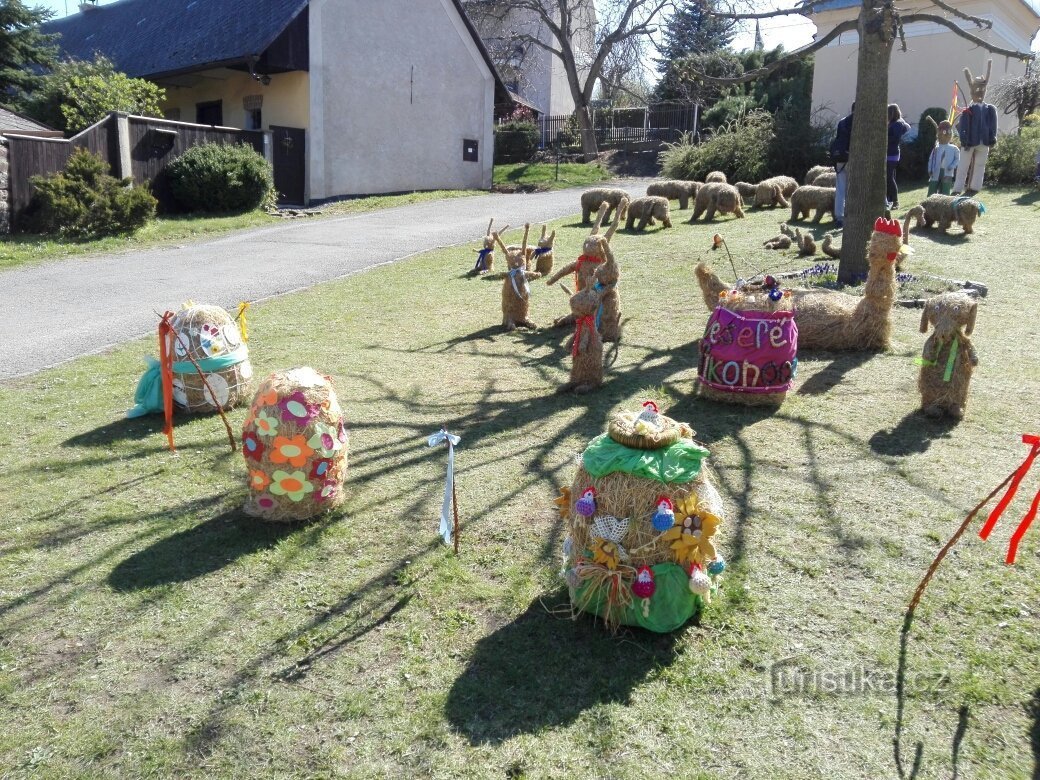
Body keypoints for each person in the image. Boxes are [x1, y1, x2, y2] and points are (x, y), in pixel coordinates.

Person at [830, 103, 854, 228]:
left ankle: (839, 217)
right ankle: (853, 215)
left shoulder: (842, 122)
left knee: (840, 189)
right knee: (855, 189)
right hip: (854, 159)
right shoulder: (861, 121)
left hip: (840, 158)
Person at [886, 104, 911, 209]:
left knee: (889, 177)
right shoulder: (897, 123)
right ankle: (890, 199)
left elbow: (894, 138)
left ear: (891, 113)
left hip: (892, 153)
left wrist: (884, 139)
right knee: (890, 177)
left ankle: (895, 201)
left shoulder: (896, 124)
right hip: (892, 153)